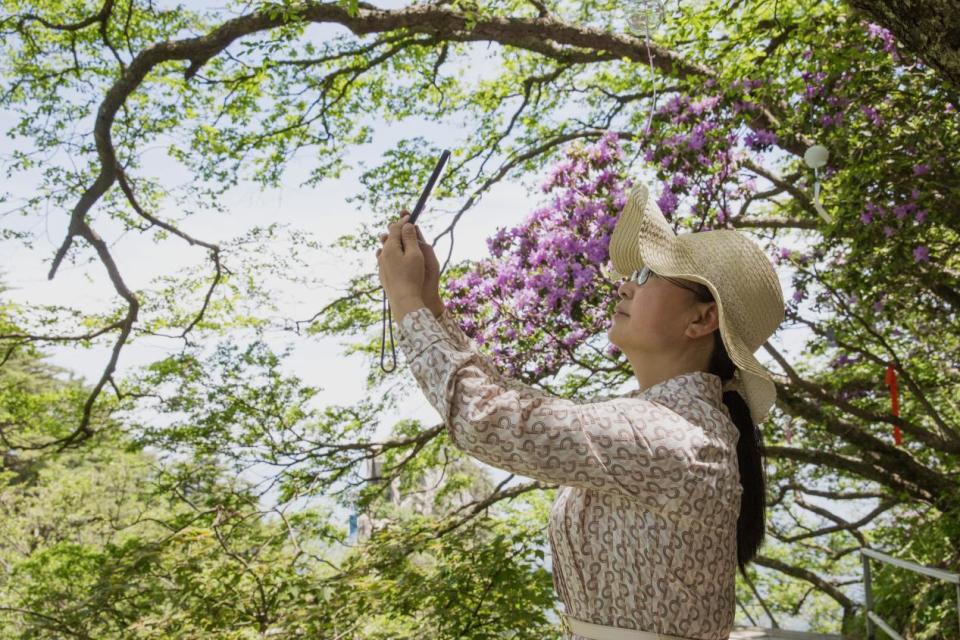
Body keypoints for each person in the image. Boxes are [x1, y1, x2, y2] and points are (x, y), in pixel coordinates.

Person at [376, 181, 786, 640]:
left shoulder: (672, 435)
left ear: (702, 319)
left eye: (650, 275)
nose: (628, 283)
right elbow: (510, 404)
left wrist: (406, 302)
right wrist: (429, 303)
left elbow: (488, 419)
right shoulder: (668, 425)